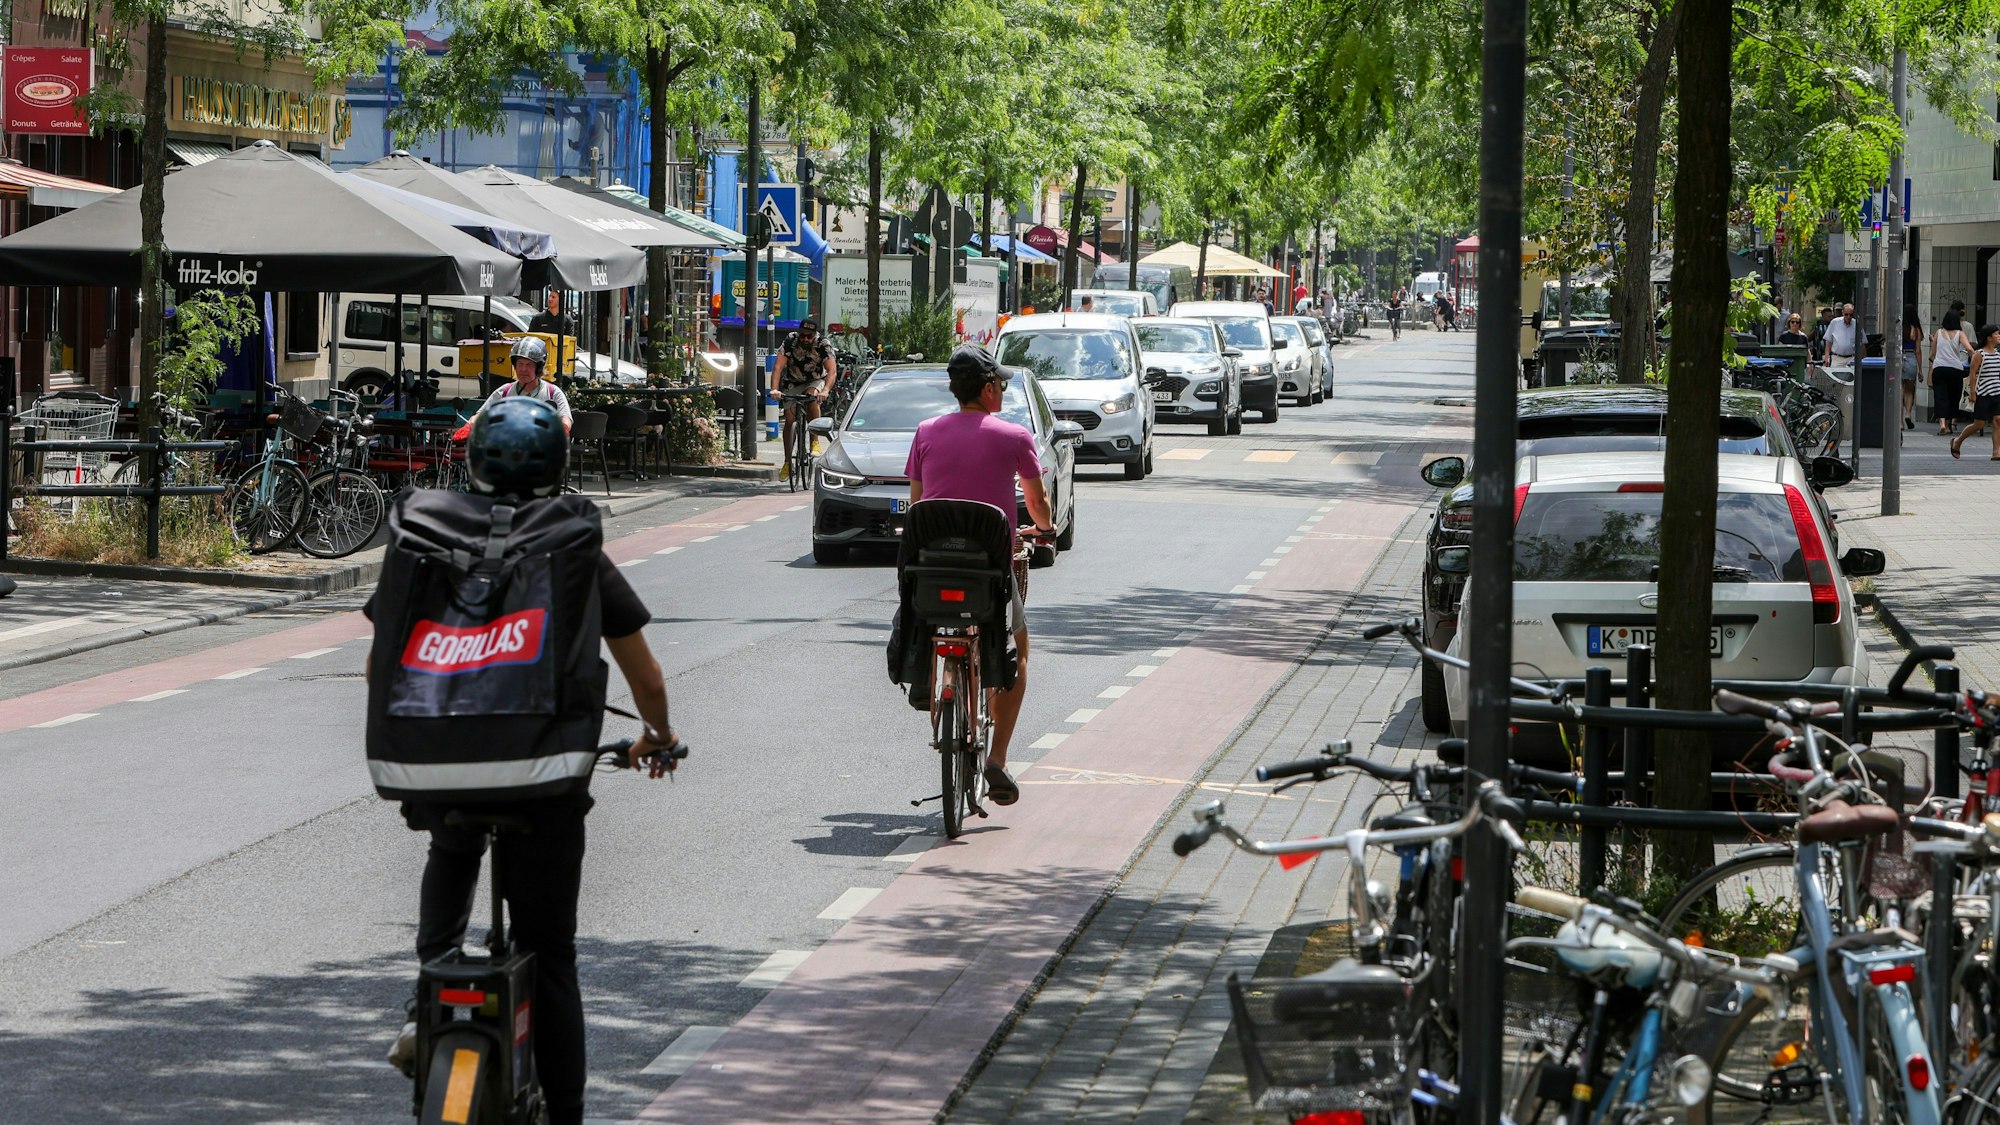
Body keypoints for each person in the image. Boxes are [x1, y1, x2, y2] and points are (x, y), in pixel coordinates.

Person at [375, 396, 680, 1125]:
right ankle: (568, 1115)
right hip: (545, 781)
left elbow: (375, 665)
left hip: (439, 765)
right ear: (559, 468)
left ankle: (430, 994)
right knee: (551, 952)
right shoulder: (572, 543)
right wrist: (658, 737)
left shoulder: (424, 536)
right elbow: (648, 680)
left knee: (453, 843)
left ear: (472, 462)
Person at [902, 345, 1055, 807]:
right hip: (990, 571)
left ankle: (925, 673)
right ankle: (997, 760)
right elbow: (1037, 503)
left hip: (931, 567)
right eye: (1002, 385)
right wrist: (1044, 529)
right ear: (988, 388)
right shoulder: (1014, 437)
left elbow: (918, 503)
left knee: (924, 617)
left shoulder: (926, 432)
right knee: (1017, 654)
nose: (1004, 391)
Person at [463, 336, 573, 434]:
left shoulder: (553, 393)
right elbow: (481, 415)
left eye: (529, 364)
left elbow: (566, 421)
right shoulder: (504, 392)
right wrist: (471, 423)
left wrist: (559, 426)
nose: (523, 369)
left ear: (538, 367)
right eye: (520, 364)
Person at [771, 318, 835, 471]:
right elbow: (778, 367)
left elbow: (832, 371)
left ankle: (814, 440)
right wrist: (774, 389)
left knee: (811, 396)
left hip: (815, 379)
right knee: (790, 419)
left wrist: (825, 390)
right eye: (803, 335)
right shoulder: (790, 340)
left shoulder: (823, 344)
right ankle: (787, 462)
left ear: (815, 335)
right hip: (793, 381)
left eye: (809, 336)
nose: (805, 339)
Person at [1953, 324, 2000, 460]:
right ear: (1989, 338)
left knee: (1998, 420)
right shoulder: (1979, 354)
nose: (1999, 336)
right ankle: (1958, 441)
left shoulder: (1998, 355)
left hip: (1997, 392)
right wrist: (1973, 393)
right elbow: (1972, 374)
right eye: (1996, 334)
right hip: (1982, 393)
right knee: (1979, 424)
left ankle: (1996, 452)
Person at [1932, 309, 1972, 436]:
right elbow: (1969, 348)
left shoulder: (1938, 333)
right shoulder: (1960, 334)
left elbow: (1933, 353)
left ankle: (1942, 424)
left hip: (1939, 368)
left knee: (1940, 396)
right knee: (1952, 397)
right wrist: (1974, 358)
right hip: (1955, 369)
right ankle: (1949, 425)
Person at [1902, 305, 1925, 430]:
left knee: (1899, 390)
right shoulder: (1916, 330)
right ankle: (1908, 414)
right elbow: (1918, 351)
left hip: (1899, 358)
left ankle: (1900, 422)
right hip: (1911, 358)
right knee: (1909, 391)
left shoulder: (1899, 328)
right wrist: (1920, 370)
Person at [1822, 303, 1859, 368]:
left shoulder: (1857, 324)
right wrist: (1826, 358)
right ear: (1842, 313)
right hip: (1837, 359)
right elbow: (1828, 343)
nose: (1848, 317)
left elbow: (1862, 344)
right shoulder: (1835, 322)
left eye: (1851, 315)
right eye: (1846, 314)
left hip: (1852, 359)